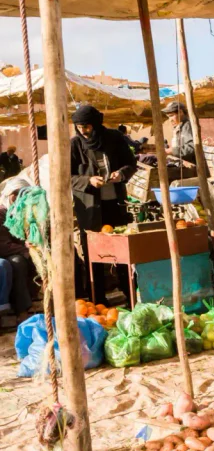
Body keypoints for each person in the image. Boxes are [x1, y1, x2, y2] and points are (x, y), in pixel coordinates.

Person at [70, 104, 137, 302]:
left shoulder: (115, 138)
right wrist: (88, 181)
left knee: (122, 254)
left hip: (115, 206)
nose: (83, 131)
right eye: (79, 127)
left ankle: (130, 294)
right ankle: (98, 299)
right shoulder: (75, 145)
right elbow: (66, 176)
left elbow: (131, 164)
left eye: (87, 127)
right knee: (94, 255)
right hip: (90, 209)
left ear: (96, 124)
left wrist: (121, 174)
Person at [0, 176, 35, 319]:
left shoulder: (17, 213)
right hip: (3, 252)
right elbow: (2, 245)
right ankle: (21, 310)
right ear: (13, 198)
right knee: (15, 262)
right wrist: (25, 250)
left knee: (20, 261)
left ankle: (24, 308)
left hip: (10, 251)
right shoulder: (1, 213)